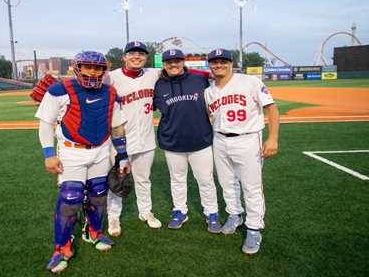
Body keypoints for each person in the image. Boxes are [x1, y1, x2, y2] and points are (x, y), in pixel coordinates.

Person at [35, 50, 130, 273]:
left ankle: (93, 232)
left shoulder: (110, 92)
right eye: (88, 66)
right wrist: (49, 154)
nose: (93, 71)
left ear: (103, 70)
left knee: (98, 194)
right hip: (72, 152)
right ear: (78, 67)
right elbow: (46, 123)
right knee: (70, 198)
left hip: (101, 150)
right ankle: (62, 246)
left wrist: (123, 155)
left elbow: (117, 126)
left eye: (97, 68)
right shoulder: (60, 90)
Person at [204, 48, 280, 254]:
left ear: (231, 63)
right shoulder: (209, 91)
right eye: (214, 62)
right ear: (209, 65)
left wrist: (272, 138)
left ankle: (254, 228)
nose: (218, 65)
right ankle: (235, 215)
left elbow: (271, 107)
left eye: (223, 61)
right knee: (227, 183)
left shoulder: (250, 82)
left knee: (252, 187)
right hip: (219, 139)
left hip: (247, 139)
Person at [153, 49, 221, 232]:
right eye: (169, 62)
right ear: (164, 64)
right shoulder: (158, 85)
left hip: (200, 139)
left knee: (206, 179)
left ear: (183, 62)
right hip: (172, 141)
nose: (173, 64)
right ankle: (180, 210)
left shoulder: (199, 79)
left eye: (177, 61)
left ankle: (212, 212)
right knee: (177, 180)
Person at [105, 41, 163, 236]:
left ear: (146, 57)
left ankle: (145, 212)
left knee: (143, 179)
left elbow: (178, 70)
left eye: (141, 54)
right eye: (132, 53)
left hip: (146, 140)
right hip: (120, 141)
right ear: (124, 57)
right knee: (117, 181)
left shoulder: (152, 74)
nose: (136, 57)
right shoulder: (111, 78)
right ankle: (113, 217)